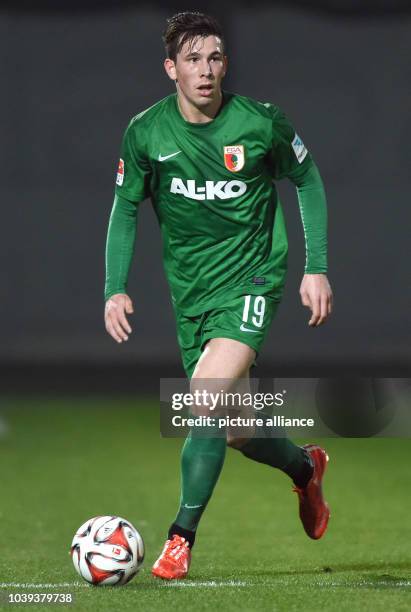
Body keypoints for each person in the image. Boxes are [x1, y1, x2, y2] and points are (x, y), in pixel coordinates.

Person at [104, 11, 333, 580]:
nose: (206, 70)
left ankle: (179, 539)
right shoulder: (147, 133)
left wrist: (316, 267)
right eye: (192, 59)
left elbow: (307, 179)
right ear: (170, 69)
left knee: (200, 400)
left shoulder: (261, 124)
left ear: (225, 63)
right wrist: (115, 288)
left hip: (253, 279)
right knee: (235, 427)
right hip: (193, 296)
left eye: (215, 57)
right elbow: (126, 208)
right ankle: (306, 469)